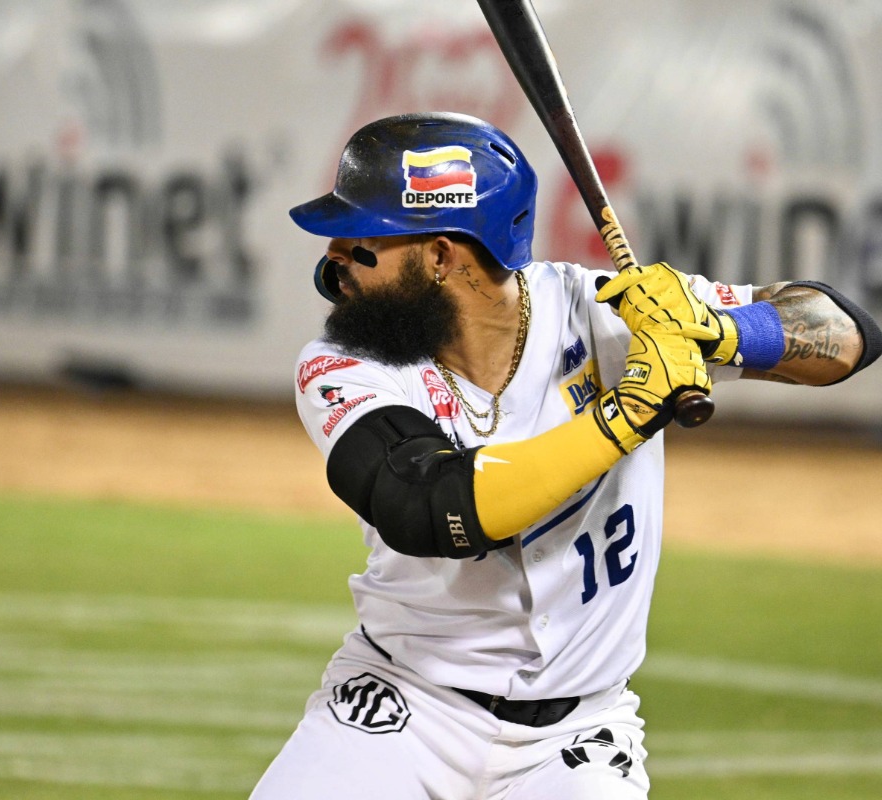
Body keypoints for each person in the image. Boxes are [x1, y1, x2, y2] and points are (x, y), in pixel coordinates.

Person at [250, 112, 881, 800]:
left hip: (578, 740)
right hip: (400, 707)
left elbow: (849, 334)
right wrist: (627, 414)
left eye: (360, 242)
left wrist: (717, 330)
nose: (332, 260)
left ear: (441, 256)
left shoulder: (604, 312)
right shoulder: (344, 364)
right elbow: (429, 508)